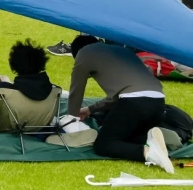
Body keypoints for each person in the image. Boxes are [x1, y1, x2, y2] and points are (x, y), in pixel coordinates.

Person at [67, 35, 172, 173]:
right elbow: (119, 96)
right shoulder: (121, 50)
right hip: (158, 103)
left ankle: (147, 152)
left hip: (134, 103)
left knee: (104, 145)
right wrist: (90, 109)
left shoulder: (84, 53)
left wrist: (71, 117)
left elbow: (76, 89)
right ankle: (154, 139)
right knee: (125, 137)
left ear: (77, 53)